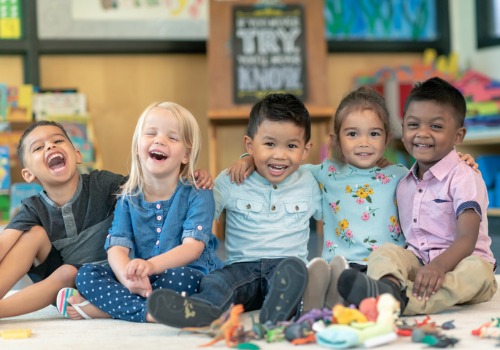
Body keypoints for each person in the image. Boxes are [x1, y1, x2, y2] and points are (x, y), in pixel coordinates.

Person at [224, 86, 478, 312]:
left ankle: (361, 298)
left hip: (386, 268)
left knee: (382, 284)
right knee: (330, 282)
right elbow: (281, 163)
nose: (364, 143)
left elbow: (433, 177)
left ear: (387, 138)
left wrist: (461, 160)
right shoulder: (323, 173)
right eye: (353, 134)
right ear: (336, 140)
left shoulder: (402, 175)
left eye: (374, 134)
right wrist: (247, 159)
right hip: (341, 265)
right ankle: (327, 299)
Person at [146, 93, 322, 328]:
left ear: (306, 149)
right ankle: (201, 309)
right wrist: (201, 182)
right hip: (241, 267)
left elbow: (344, 176)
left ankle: (279, 310)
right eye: (269, 144)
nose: (280, 155)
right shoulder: (231, 180)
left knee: (295, 278)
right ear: (250, 145)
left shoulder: (311, 181)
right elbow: (200, 211)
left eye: (291, 146)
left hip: (286, 266)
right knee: (216, 282)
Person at [337, 76, 497, 316]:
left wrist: (439, 267)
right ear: (402, 130)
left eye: (436, 126)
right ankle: (386, 287)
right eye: (413, 125)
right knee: (386, 252)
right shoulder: (404, 182)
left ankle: (403, 301)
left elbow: (467, 238)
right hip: (420, 261)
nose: (422, 134)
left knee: (474, 273)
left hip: (465, 262)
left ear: (458, 136)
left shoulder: (464, 177)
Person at [64, 101, 223, 323]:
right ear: (138, 146)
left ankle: (109, 309)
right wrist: (126, 278)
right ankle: (149, 311)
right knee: (87, 275)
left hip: (184, 274)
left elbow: (192, 248)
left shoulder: (198, 193)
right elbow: (117, 248)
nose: (159, 140)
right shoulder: (128, 197)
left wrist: (151, 266)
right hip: (140, 277)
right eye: (151, 133)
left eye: (172, 137)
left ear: (186, 155)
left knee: (186, 280)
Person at [0, 120, 127, 319]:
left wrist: (187, 178)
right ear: (28, 174)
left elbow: (147, 185)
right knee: (33, 235)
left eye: (58, 140)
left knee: (67, 271)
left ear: (77, 155)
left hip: (114, 277)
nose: (50, 146)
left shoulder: (101, 183)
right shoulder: (33, 207)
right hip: (64, 290)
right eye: (38, 147)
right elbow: (3, 244)